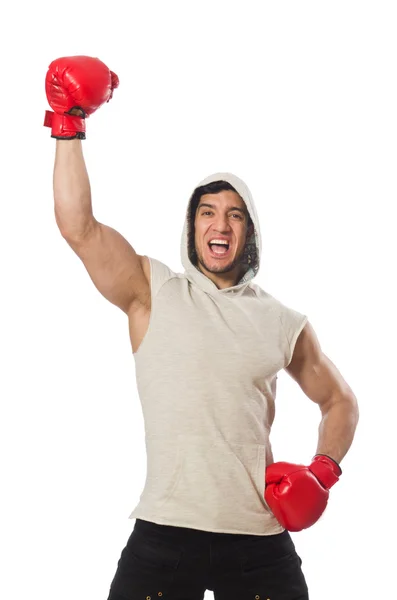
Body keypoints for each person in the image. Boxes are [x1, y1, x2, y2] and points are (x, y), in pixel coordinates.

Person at [45, 55, 359, 600]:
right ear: (191, 228)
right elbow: (79, 227)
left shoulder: (283, 321)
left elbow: (340, 401)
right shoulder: (152, 291)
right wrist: (68, 123)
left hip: (258, 538)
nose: (220, 224)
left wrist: (323, 471)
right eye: (207, 212)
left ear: (249, 231)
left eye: (234, 214)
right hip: (165, 533)